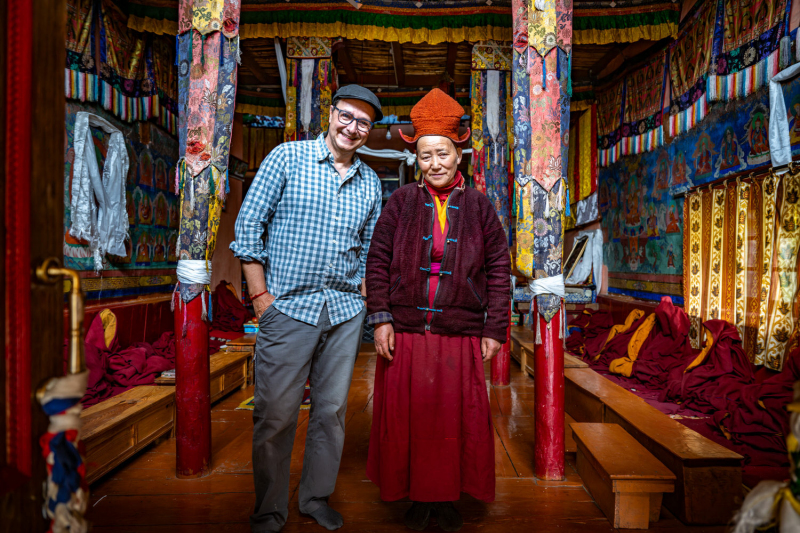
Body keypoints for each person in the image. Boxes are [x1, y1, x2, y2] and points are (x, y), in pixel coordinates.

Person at [231, 85, 384, 533]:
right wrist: (261, 299)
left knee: (332, 411)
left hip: (343, 312)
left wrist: (363, 298)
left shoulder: (371, 181)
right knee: (275, 414)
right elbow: (248, 227)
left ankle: (315, 498)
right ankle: (269, 511)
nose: (353, 128)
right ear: (331, 114)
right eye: (347, 117)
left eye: (363, 123)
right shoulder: (287, 158)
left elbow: (372, 250)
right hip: (287, 307)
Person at [364, 89, 511, 531]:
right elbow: (377, 260)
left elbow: (500, 269)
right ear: (417, 159)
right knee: (408, 418)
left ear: (459, 153)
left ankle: (447, 498)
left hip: (459, 329)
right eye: (425, 156)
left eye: (442, 153)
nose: (434, 163)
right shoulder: (402, 202)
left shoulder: (480, 206)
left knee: (454, 419)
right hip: (407, 329)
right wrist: (381, 318)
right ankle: (415, 494)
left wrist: (495, 329)